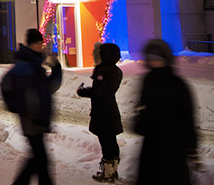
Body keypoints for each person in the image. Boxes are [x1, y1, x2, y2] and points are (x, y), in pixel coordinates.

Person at [1, 28, 62, 185]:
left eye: (41, 43)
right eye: (39, 43)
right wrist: (18, 106)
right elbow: (6, 86)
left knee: (38, 158)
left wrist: (56, 71)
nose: (41, 46)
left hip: (38, 118)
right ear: (32, 44)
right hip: (31, 119)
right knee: (41, 158)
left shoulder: (35, 64)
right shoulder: (25, 66)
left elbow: (47, 89)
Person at [134, 39, 200, 185]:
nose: (153, 63)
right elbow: (142, 110)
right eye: (150, 59)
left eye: (157, 59)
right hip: (152, 147)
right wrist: (140, 121)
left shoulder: (177, 84)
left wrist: (192, 147)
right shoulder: (148, 80)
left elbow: (187, 117)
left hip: (173, 147)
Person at [76, 43, 123, 182]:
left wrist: (82, 91)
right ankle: (112, 170)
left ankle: (107, 172)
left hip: (103, 112)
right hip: (111, 109)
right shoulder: (116, 70)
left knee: (106, 141)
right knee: (112, 141)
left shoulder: (103, 71)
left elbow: (98, 92)